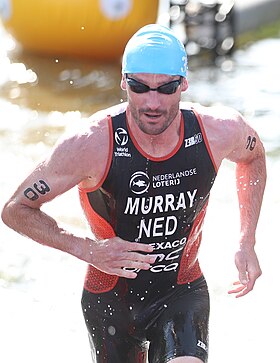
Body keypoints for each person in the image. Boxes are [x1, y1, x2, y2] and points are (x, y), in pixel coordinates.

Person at [1, 24, 266, 363]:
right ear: (124, 82)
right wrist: (89, 249)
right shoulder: (90, 144)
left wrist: (247, 240)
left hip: (182, 291)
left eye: (166, 88)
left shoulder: (219, 131)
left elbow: (255, 157)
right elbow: (15, 209)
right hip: (111, 302)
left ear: (183, 84)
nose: (152, 102)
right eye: (140, 87)